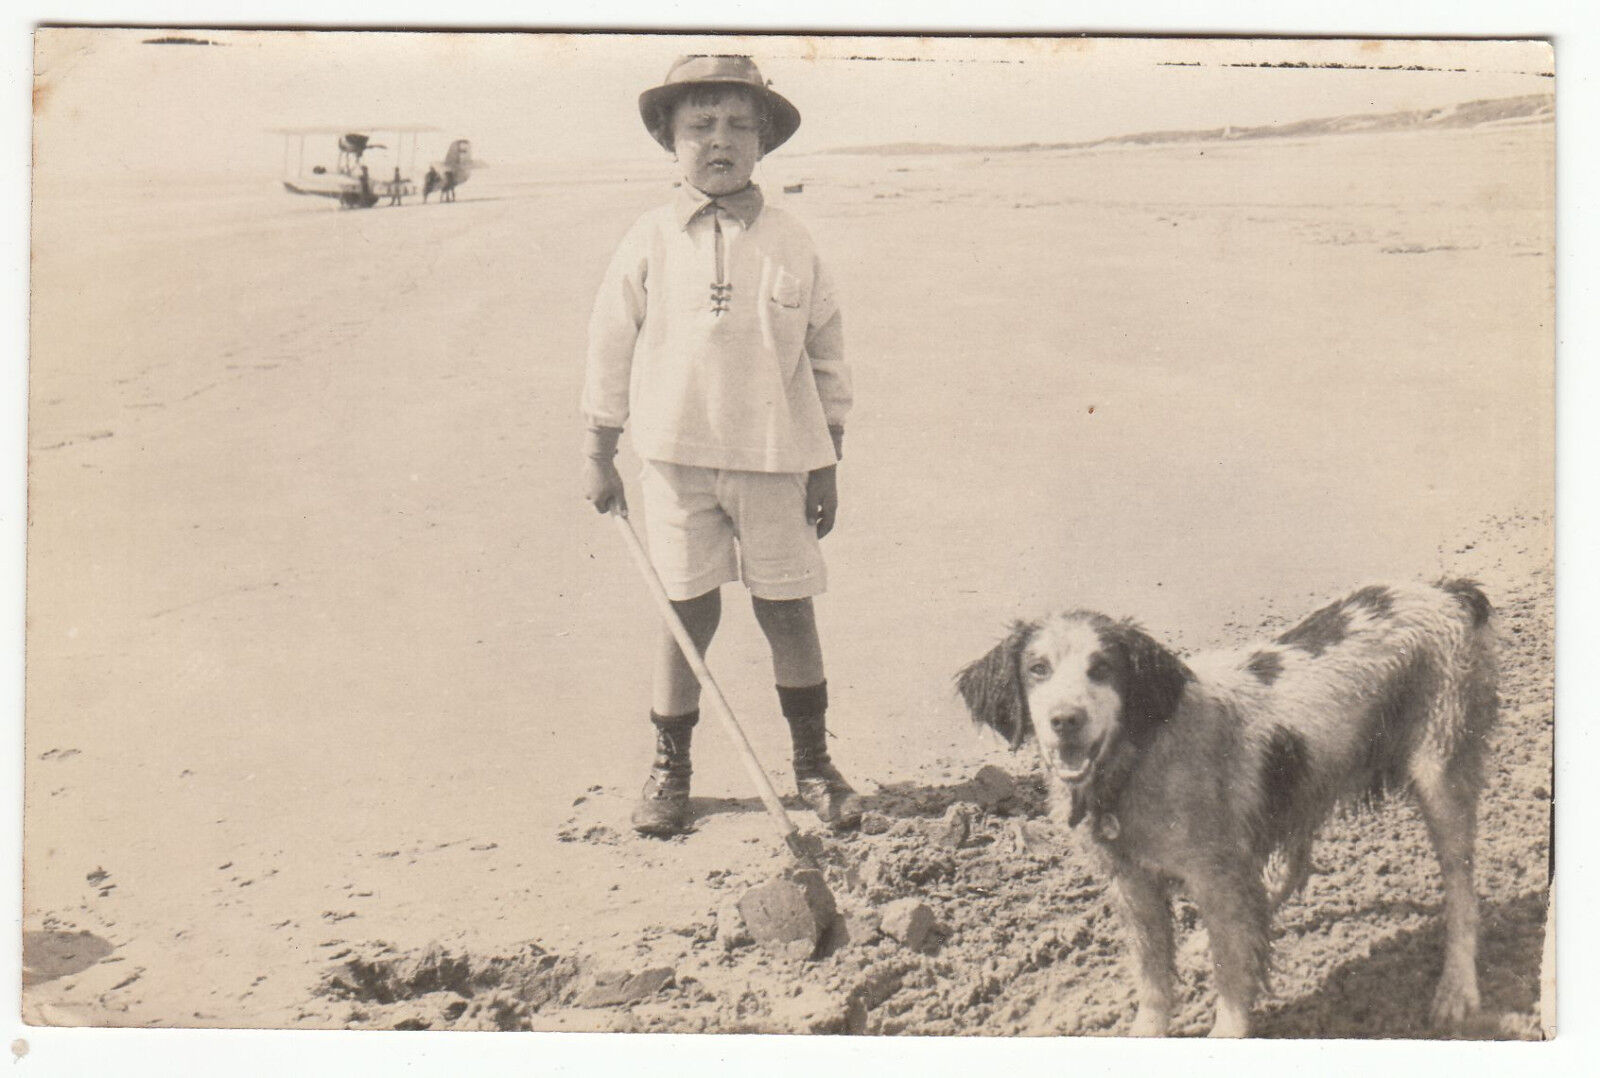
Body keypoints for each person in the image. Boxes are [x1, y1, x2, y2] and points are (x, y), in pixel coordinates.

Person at [581, 55, 861, 837]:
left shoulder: (792, 241)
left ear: (765, 141)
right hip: (675, 461)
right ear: (669, 140)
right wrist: (599, 449)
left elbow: (827, 356)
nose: (719, 140)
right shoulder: (647, 240)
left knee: (788, 611)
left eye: (740, 124)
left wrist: (827, 457)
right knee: (684, 613)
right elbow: (609, 345)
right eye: (699, 124)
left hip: (778, 461)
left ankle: (814, 764)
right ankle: (671, 768)